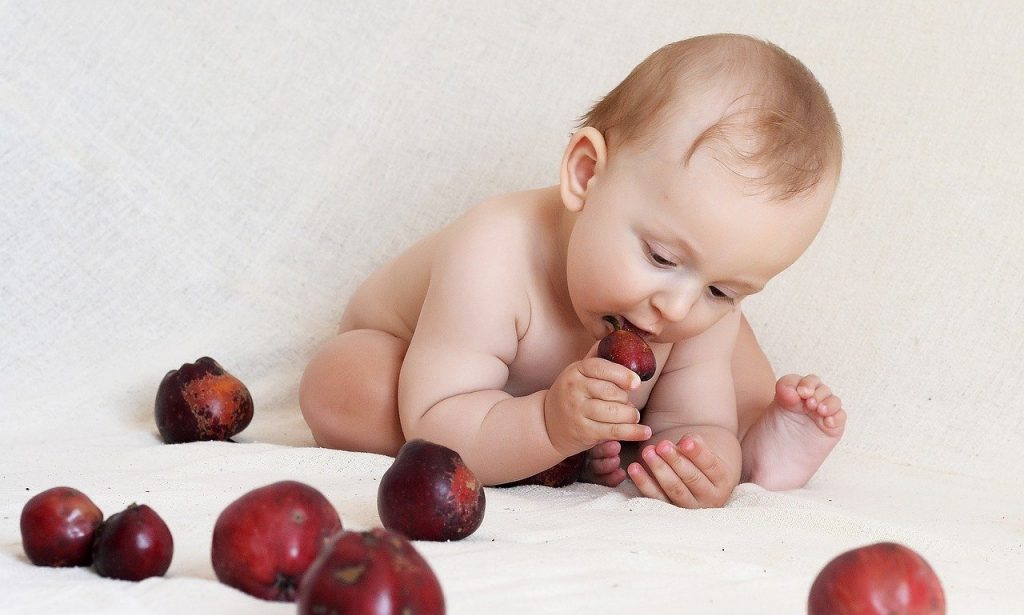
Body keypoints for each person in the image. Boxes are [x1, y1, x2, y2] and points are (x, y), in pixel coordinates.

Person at [299, 33, 846, 508]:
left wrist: (703, 461)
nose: (676, 306)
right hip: (427, 376)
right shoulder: (493, 252)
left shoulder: (683, 301)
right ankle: (544, 448)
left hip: (571, 407)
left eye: (723, 289)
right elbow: (435, 421)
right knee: (348, 383)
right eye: (660, 257)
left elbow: (694, 422)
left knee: (730, 351)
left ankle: (760, 447)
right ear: (585, 176)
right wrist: (545, 425)